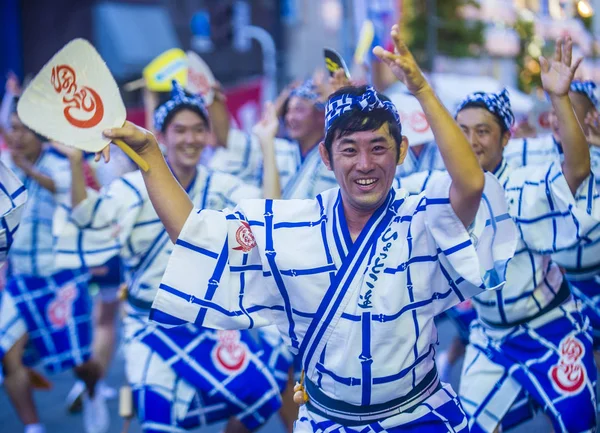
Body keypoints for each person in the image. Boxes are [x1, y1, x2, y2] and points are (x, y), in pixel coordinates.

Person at [97, 25, 518, 432]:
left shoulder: (420, 215)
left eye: (379, 148)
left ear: (402, 151)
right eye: (349, 150)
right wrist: (149, 152)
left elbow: (471, 184)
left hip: (417, 416)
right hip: (327, 422)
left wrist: (422, 91)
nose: (365, 165)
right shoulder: (293, 225)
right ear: (326, 157)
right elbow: (194, 233)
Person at [54, 82, 283, 433]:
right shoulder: (132, 188)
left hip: (204, 322)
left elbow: (271, 216)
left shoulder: (221, 185)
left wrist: (267, 144)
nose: (190, 139)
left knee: (264, 395)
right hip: (149, 324)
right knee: (159, 422)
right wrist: (74, 163)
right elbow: (87, 218)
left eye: (197, 130)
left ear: (208, 136)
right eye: (180, 130)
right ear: (160, 136)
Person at [454, 38, 599, 433]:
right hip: (489, 334)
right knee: (470, 427)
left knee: (578, 423)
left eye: (483, 131)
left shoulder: (523, 184)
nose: (470, 141)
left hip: (548, 325)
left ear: (505, 138)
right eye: (461, 130)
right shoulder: (438, 190)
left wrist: (560, 98)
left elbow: (577, 168)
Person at [0, 103, 103, 433]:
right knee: (6, 353)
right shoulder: (6, 166)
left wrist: (27, 170)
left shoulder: (63, 160)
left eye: (22, 128)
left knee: (81, 360)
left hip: (62, 279)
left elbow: (66, 193)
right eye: (11, 127)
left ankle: (92, 390)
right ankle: (33, 427)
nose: (15, 135)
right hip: (20, 280)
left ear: (39, 132)